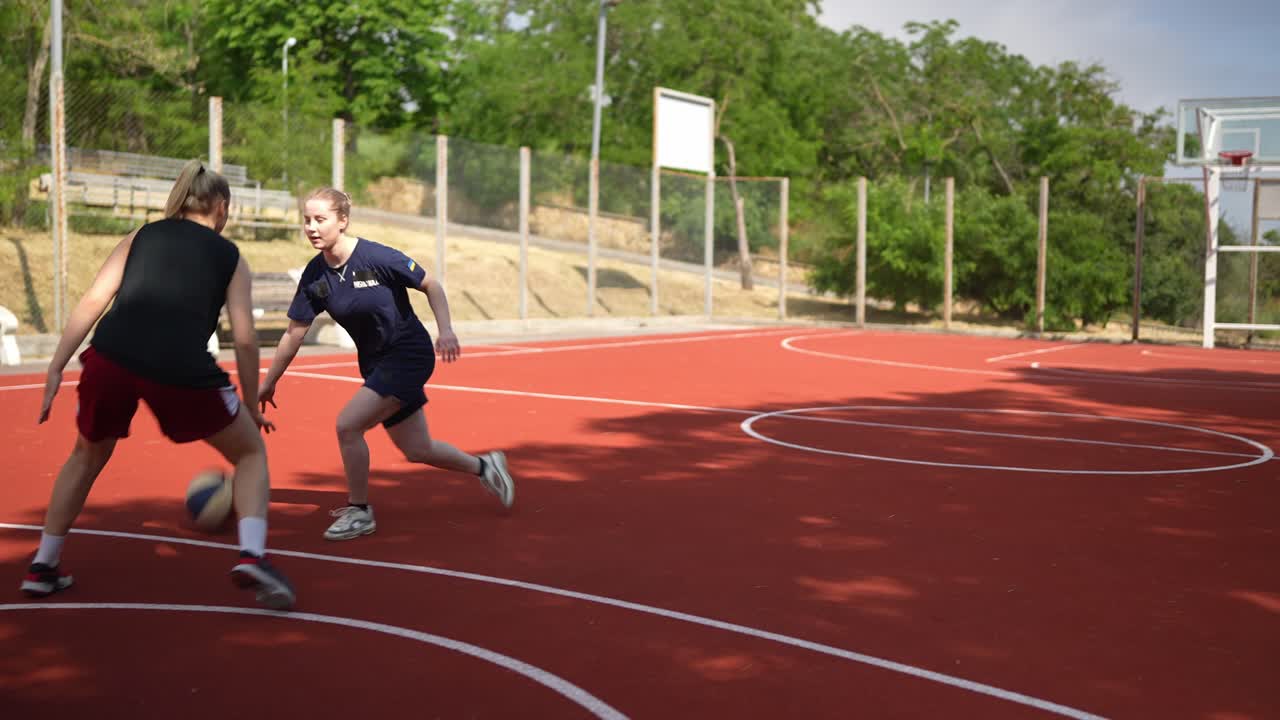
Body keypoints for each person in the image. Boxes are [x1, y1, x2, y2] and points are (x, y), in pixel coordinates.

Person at [23, 160, 296, 610]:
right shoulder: (229, 257)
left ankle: (42, 565)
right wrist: (250, 404)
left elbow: (94, 298)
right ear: (221, 207)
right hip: (180, 368)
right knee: (249, 453)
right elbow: (245, 340)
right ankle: (253, 556)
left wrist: (56, 365)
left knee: (85, 455)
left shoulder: (141, 235)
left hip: (110, 355)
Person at [258, 187, 514, 541]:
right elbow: (294, 332)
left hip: (408, 354)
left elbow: (431, 285)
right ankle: (486, 467)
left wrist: (446, 330)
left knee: (348, 426)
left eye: (320, 219)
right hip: (377, 364)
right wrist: (270, 381)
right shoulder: (316, 277)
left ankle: (360, 511)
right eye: (306, 220)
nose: (311, 227)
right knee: (417, 449)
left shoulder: (377, 257)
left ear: (343, 221)